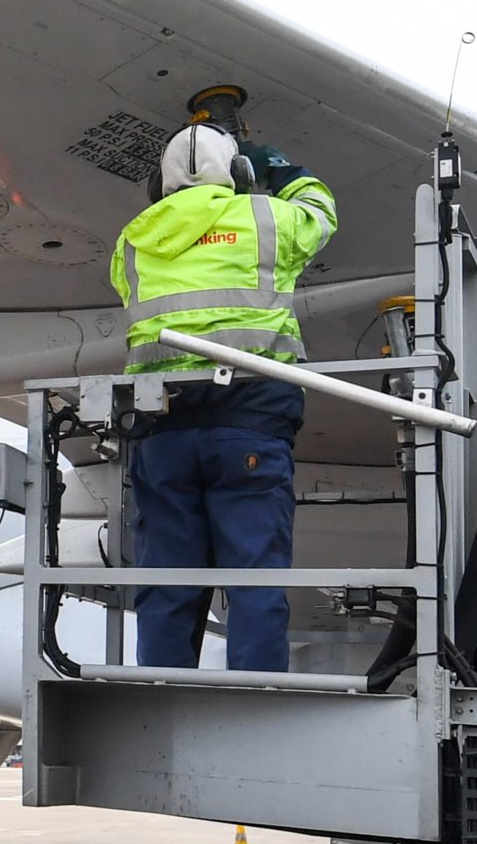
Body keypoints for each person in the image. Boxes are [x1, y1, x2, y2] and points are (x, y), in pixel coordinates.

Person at [112, 123, 338, 671]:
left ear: (157, 186)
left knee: (167, 583)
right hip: (250, 422)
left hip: (162, 429)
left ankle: (161, 695)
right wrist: (276, 167)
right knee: (253, 578)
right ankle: (256, 699)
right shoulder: (267, 220)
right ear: (239, 173)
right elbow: (320, 211)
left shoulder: (133, 243)